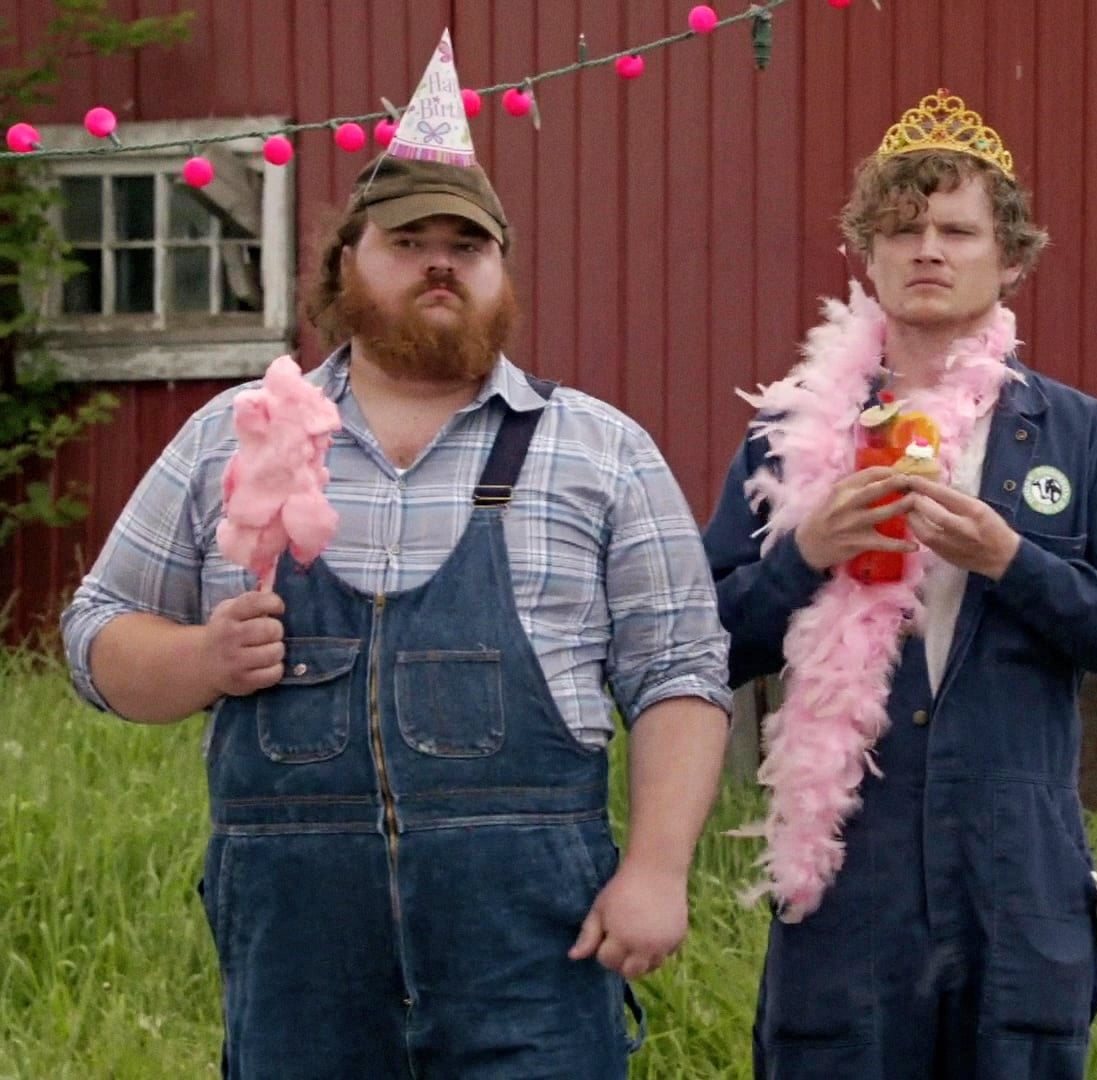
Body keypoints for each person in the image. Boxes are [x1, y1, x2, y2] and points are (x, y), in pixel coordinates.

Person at [58, 33, 731, 1078]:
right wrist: (198, 660)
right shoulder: (235, 434)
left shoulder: (601, 450)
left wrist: (656, 869)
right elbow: (93, 635)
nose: (439, 262)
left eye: (467, 245)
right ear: (347, 263)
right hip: (299, 971)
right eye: (408, 239)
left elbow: (680, 672)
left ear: (501, 272)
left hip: (534, 959)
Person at [703, 89, 1097, 1079]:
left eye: (957, 231)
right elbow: (700, 645)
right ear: (868, 254)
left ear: (1010, 258)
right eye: (902, 228)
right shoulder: (789, 436)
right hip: (848, 881)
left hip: (1015, 878)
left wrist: (1013, 562)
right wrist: (805, 553)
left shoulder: (1082, 437)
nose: (927, 249)